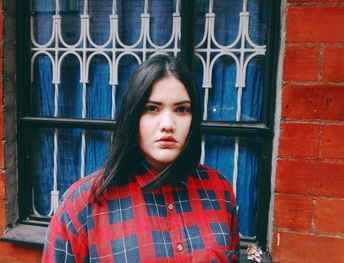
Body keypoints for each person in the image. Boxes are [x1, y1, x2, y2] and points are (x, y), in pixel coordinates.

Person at [42, 54, 240, 262]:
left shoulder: (218, 190)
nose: (167, 124)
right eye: (152, 108)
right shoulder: (83, 205)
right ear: (133, 115)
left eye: (181, 109)